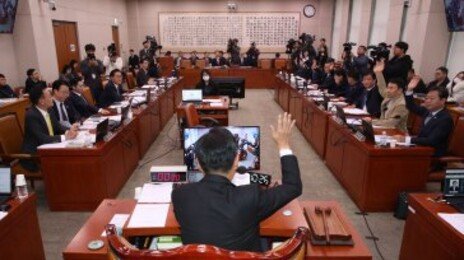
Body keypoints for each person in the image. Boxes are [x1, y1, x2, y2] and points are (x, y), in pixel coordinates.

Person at [172, 113, 302, 252]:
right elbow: (292, 186)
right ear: (236, 161)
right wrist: (284, 144)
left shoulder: (179, 194)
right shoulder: (250, 196)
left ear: (198, 163)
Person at [21, 86, 78, 171]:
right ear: (41, 101)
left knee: (74, 153)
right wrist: (65, 137)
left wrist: (69, 130)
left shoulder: (49, 110)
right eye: (50, 96)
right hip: (35, 156)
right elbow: (42, 139)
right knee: (68, 160)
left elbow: (57, 126)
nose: (52, 98)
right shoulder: (31, 115)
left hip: (49, 147)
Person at [400, 77, 454, 157]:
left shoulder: (445, 119)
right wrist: (409, 90)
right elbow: (411, 106)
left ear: (442, 101)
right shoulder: (428, 111)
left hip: (431, 155)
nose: (427, 101)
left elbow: (431, 141)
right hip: (420, 148)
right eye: (426, 98)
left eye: (432, 99)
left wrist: (407, 139)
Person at [365, 60, 409, 131]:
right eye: (388, 87)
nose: (388, 90)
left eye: (391, 88)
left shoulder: (402, 104)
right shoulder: (390, 96)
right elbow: (382, 88)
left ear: (400, 90)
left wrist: (372, 122)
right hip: (384, 128)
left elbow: (391, 122)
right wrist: (378, 73)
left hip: (397, 133)